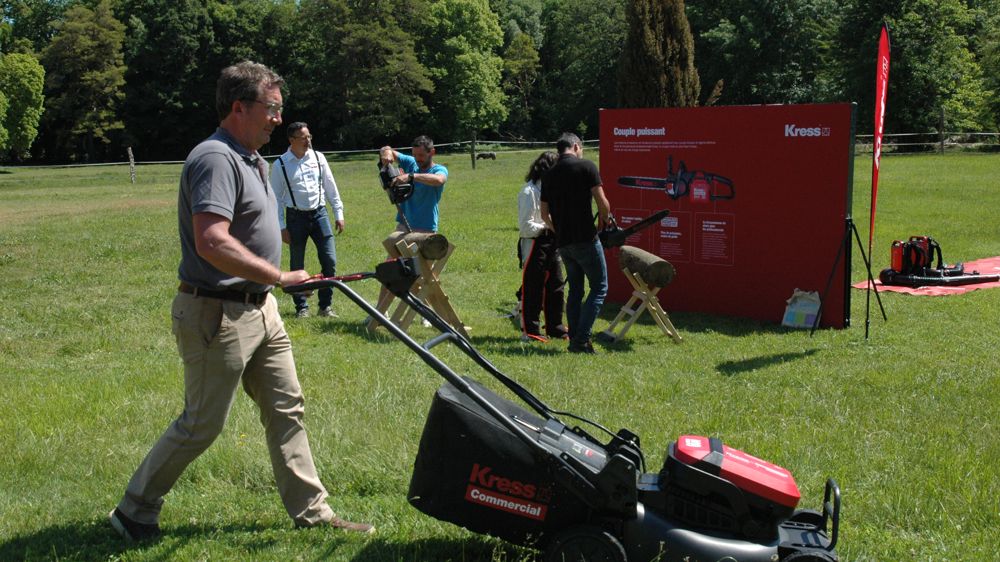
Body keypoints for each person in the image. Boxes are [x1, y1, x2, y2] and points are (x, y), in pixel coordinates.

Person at [109, 61, 373, 543]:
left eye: (280, 110)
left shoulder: (255, 160)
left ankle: (313, 511)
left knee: (286, 406)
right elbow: (211, 240)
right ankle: (134, 510)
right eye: (271, 109)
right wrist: (278, 273)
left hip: (261, 309)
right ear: (239, 107)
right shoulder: (214, 158)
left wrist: (273, 278)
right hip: (217, 312)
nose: (278, 118)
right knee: (201, 424)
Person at [540, 133, 611, 354]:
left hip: (564, 242)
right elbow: (603, 203)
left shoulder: (549, 175)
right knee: (599, 287)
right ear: (576, 146)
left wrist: (558, 230)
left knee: (576, 290)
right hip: (585, 239)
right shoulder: (587, 167)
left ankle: (574, 339)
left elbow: (544, 214)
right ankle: (581, 339)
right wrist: (603, 223)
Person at [271, 122, 345, 319]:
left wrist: (338, 213)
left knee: (329, 261)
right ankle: (301, 307)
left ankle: (325, 306)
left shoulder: (319, 158)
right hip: (296, 217)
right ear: (291, 140)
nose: (308, 141)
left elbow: (330, 185)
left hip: (320, 214)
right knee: (297, 264)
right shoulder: (281, 164)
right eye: (303, 138)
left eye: (309, 136)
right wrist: (281, 227)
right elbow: (276, 198)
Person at [375, 136, 447, 308]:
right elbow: (387, 149)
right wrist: (386, 155)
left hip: (426, 229)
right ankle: (379, 311)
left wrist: (411, 177)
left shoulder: (439, 169)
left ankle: (428, 313)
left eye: (421, 155)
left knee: (423, 274)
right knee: (390, 269)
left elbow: (439, 180)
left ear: (432, 152)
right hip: (403, 226)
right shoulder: (411, 162)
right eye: (415, 155)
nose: (417, 159)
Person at [517, 151, 568, 342]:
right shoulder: (528, 191)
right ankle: (530, 331)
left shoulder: (552, 192)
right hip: (534, 243)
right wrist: (548, 226)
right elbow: (525, 226)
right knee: (533, 288)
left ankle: (555, 327)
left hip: (552, 242)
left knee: (556, 286)